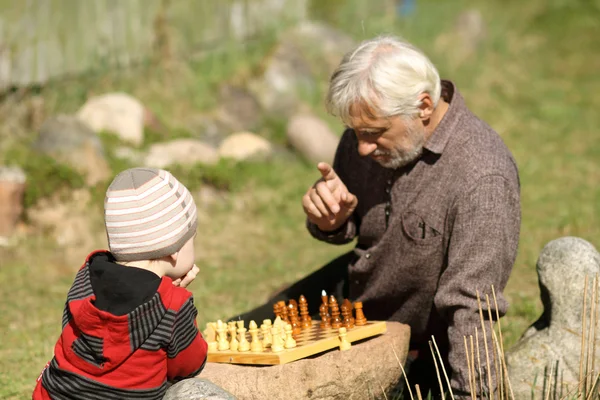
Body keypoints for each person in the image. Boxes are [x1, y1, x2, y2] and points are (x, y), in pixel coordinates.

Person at [239, 35, 520, 397]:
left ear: (423, 106)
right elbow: (356, 228)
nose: (361, 147)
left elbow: (472, 308)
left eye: (373, 134)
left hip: (411, 341)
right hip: (349, 298)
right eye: (355, 132)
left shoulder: (483, 176)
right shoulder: (367, 134)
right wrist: (333, 222)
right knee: (228, 347)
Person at [33, 168, 208, 400]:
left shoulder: (87, 274)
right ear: (175, 250)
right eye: (191, 239)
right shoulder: (174, 303)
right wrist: (174, 295)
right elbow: (189, 365)